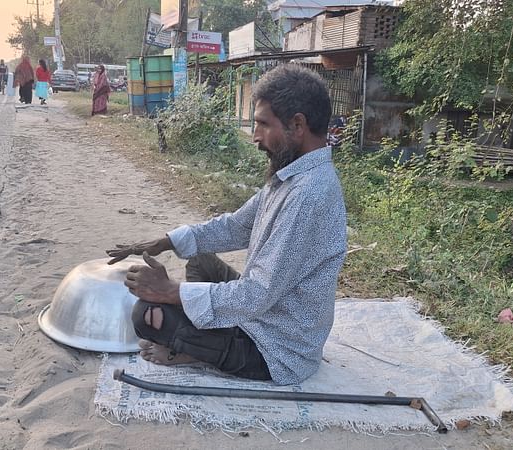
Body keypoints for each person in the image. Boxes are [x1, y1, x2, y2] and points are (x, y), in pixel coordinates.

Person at [107, 65, 347, 385]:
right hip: (266, 312)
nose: (255, 136)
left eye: (263, 124)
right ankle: (203, 343)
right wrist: (164, 241)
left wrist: (171, 291)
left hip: (277, 348)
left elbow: (255, 296)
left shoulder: (308, 195)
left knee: (147, 317)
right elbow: (236, 226)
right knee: (199, 259)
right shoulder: (294, 176)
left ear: (297, 125)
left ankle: (193, 352)